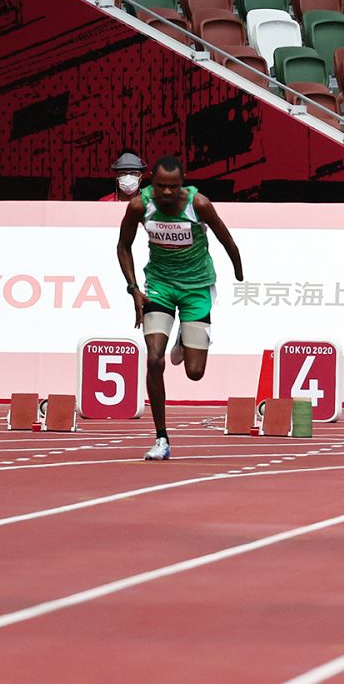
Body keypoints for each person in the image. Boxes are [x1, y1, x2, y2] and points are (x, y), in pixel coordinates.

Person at [116, 155, 244, 460]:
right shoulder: (139, 206)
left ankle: (184, 339)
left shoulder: (198, 204)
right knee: (155, 360)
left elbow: (228, 241)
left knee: (195, 373)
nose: (168, 193)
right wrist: (134, 289)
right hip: (159, 286)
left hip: (197, 288)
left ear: (182, 184)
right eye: (161, 187)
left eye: (174, 187)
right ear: (152, 183)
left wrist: (238, 270)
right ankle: (161, 438)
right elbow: (123, 246)